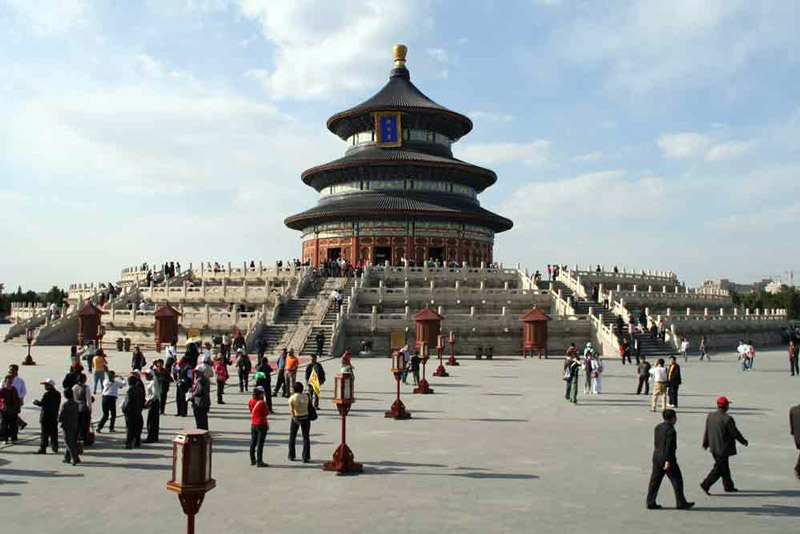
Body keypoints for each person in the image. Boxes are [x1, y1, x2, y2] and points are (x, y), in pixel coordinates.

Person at [646, 409, 694, 510]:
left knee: (655, 480)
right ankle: (681, 502)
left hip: (656, 456)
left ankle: (650, 501)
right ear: (672, 418)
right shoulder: (671, 431)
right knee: (677, 480)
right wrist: (667, 462)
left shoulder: (658, 427)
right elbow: (669, 447)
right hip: (667, 459)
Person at [700, 396, 749, 494]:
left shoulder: (710, 416)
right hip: (723, 448)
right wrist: (743, 441)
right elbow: (734, 432)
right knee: (719, 469)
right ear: (726, 406)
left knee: (724, 467)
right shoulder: (727, 419)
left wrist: (705, 442)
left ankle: (728, 486)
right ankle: (706, 484)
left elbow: (707, 430)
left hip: (714, 446)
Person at [33, 378, 61, 453]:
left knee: (44, 433)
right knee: (54, 433)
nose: (44, 386)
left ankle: (43, 448)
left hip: (46, 416)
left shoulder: (47, 394)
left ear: (50, 385)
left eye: (46, 385)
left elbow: (42, 404)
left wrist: (35, 402)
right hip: (54, 416)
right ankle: (55, 446)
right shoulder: (58, 394)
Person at [288, 382, 311, 463]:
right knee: (306, 437)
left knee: (292, 437)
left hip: (296, 417)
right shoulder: (306, 396)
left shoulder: (292, 398)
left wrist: (294, 419)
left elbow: (292, 410)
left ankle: (291, 455)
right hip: (305, 417)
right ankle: (305, 456)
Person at [122, 375, 145, 449]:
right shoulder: (140, 390)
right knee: (137, 427)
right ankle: (137, 442)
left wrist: (124, 409)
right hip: (138, 411)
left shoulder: (130, 390)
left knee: (129, 428)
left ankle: (128, 443)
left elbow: (128, 402)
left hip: (130, 412)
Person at [248, 387, 269, 467]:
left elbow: (250, 409)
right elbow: (266, 413)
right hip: (262, 423)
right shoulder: (262, 403)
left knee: (253, 442)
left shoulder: (251, 401)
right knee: (260, 443)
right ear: (260, 394)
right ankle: (259, 461)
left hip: (253, 423)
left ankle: (252, 459)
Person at [59, 388, 80, 465]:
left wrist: (59, 420)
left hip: (66, 425)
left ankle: (75, 458)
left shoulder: (65, 404)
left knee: (68, 442)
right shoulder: (76, 403)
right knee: (71, 441)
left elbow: (61, 416)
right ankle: (67, 458)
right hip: (75, 424)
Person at [72, 374, 93, 445]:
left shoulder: (74, 387)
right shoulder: (86, 388)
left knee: (77, 425)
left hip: (76, 408)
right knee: (85, 425)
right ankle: (85, 439)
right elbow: (88, 400)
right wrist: (90, 409)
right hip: (84, 408)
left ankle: (76, 439)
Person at [0, 375, 21, 443]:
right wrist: (3, 403)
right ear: (5, 382)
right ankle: (5, 439)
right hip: (4, 410)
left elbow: (17, 399)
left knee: (13, 424)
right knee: (4, 425)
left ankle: (13, 438)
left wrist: (18, 407)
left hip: (13, 409)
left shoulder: (14, 389)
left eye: (11, 382)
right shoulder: (2, 390)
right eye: (8, 382)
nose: (9, 383)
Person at [143, 369, 161, 443]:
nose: (145, 376)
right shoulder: (152, 382)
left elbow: (155, 394)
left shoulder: (153, 382)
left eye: (147, 375)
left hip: (153, 402)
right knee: (154, 420)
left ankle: (150, 437)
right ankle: (154, 436)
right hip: (154, 402)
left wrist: (148, 401)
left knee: (151, 420)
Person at [8, 364, 28, 432]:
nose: (10, 371)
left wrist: (21, 399)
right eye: (10, 370)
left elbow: (23, 391)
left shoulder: (20, 381)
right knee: (10, 414)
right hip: (6, 400)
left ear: (16, 371)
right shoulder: (5, 379)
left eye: (12, 370)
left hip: (16, 401)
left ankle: (18, 427)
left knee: (12, 415)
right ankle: (21, 423)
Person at [192, 366, 211, 430]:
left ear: (201, 372)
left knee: (200, 419)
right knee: (203, 419)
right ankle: (204, 432)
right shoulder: (204, 379)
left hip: (200, 402)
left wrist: (192, 395)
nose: (195, 374)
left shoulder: (201, 380)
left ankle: (201, 432)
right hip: (204, 401)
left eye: (197, 372)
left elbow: (200, 391)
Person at [790, 402, 800, 479]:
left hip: (797, 438)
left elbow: (792, 429)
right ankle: (798, 468)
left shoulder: (793, 410)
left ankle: (798, 468)